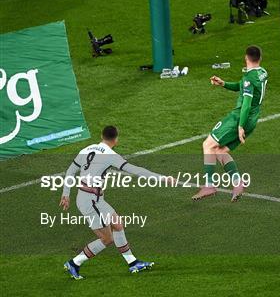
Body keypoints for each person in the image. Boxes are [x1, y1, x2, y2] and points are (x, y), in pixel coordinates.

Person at [60, 126, 174, 280]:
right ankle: (74, 263)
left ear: (102, 136)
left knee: (117, 224)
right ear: (116, 139)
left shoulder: (87, 149)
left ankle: (132, 262)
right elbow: (135, 170)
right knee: (106, 239)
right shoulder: (111, 155)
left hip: (91, 198)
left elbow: (70, 171)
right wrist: (162, 178)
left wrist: (66, 194)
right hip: (90, 201)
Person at [192, 46, 268, 202]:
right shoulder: (262, 73)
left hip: (239, 118)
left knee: (207, 145)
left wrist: (240, 126)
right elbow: (242, 87)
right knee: (219, 150)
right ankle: (238, 183)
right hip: (252, 120)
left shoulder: (249, 77)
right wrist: (224, 83)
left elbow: (246, 103)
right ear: (260, 58)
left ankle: (209, 186)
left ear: (246, 58)